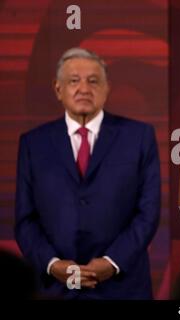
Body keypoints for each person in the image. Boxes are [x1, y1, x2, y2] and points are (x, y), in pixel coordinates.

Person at [14, 48, 161, 299]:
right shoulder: (33, 144)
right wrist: (53, 265)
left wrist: (112, 262)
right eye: (74, 81)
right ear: (58, 89)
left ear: (107, 89)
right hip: (55, 288)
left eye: (93, 81)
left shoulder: (138, 137)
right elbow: (25, 219)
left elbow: (147, 213)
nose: (84, 88)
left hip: (122, 286)